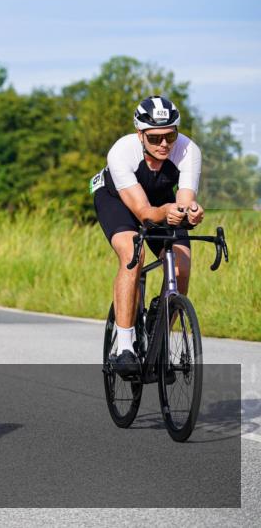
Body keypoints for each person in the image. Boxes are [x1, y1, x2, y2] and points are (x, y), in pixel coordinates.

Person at [92, 96, 203, 378]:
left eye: (170, 135)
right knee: (133, 254)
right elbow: (143, 213)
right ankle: (125, 346)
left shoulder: (189, 150)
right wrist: (166, 211)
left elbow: (185, 197)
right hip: (119, 201)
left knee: (182, 265)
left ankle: (159, 335)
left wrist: (190, 212)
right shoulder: (122, 152)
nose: (164, 144)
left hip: (161, 202)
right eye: (155, 138)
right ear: (140, 134)